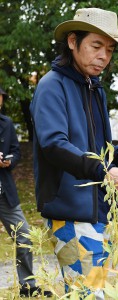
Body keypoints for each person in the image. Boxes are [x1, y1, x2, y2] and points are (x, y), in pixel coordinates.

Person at [30, 7, 118, 299]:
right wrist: (105, 170)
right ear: (73, 41)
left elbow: (97, 152)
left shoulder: (94, 88)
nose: (104, 56)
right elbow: (54, 146)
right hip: (69, 211)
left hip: (102, 209)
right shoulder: (51, 86)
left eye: (110, 50)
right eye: (96, 46)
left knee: (106, 292)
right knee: (87, 294)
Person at [0, 86, 52, 297]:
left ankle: (28, 286)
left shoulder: (7, 124)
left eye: (0, 98)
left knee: (24, 237)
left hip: (4, 192)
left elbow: (15, 152)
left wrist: (8, 161)